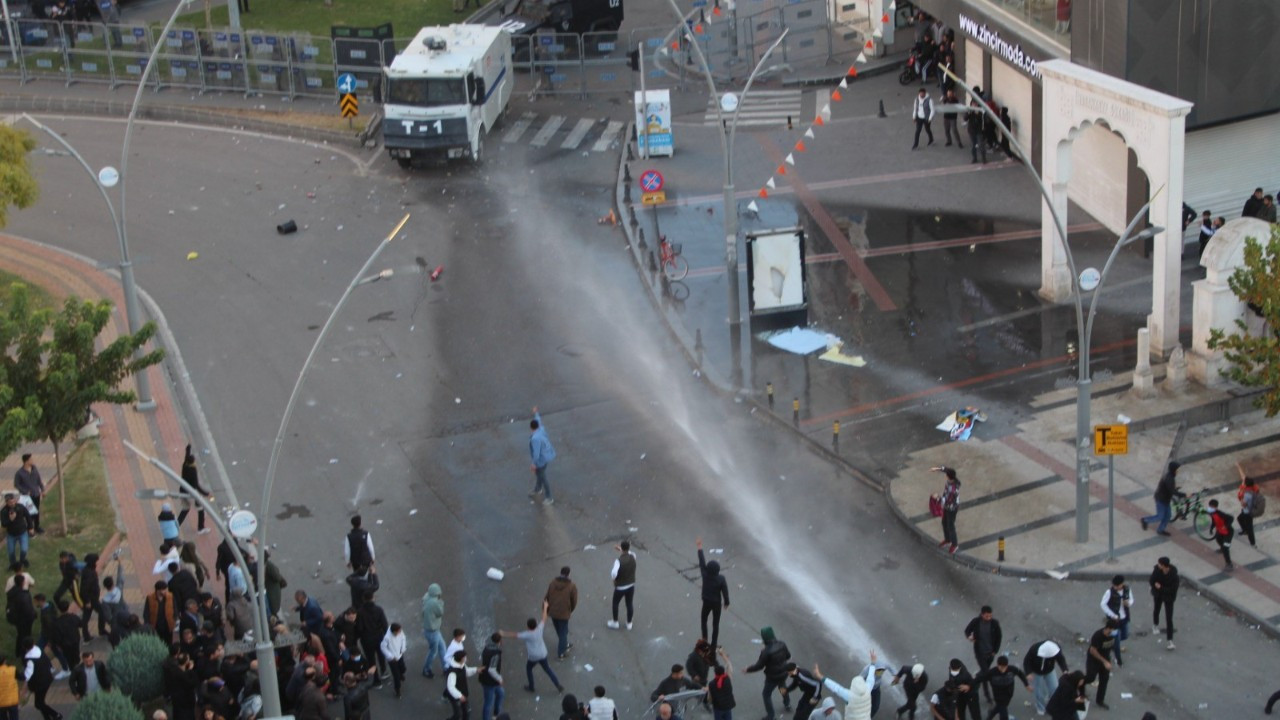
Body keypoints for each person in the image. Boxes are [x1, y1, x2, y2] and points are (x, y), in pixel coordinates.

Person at [509, 600, 562, 693]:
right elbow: (544, 618)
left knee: (529, 669)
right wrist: (545, 607)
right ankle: (557, 685)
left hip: (533, 656)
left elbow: (515, 635)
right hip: (543, 653)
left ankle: (531, 686)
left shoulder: (527, 634)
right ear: (536, 624)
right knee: (548, 670)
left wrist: (502, 634)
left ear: (528, 626)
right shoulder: (539, 629)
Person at [744, 627, 791, 720]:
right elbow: (788, 656)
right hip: (784, 672)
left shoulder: (765, 652)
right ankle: (787, 703)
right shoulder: (782, 644)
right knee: (782, 687)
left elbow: (759, 666)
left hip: (772, 677)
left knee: (766, 694)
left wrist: (748, 669)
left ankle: (771, 715)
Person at [695, 539, 730, 649]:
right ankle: (714, 644)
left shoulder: (705, 574)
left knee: (704, 620)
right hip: (716, 603)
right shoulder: (721, 578)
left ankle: (704, 640)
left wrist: (699, 547)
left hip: (706, 601)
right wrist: (726, 603)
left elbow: (702, 562)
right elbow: (725, 591)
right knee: (715, 624)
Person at [963, 605, 1001, 701]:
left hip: (990, 653)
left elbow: (999, 637)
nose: (989, 618)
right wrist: (969, 637)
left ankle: (976, 678)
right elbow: (967, 630)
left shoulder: (994, 623)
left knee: (985, 672)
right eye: (987, 616)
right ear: (982, 614)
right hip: (980, 652)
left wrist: (995, 651)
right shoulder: (976, 622)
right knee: (986, 672)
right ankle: (987, 694)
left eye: (990, 616)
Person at [1023, 640, 1066, 716]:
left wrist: (1065, 670)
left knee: (1055, 688)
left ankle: (1053, 704)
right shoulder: (1034, 649)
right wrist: (1028, 673)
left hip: (1049, 670)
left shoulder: (1056, 649)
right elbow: (1027, 661)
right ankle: (1041, 707)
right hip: (1036, 671)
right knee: (1039, 691)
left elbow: (1061, 659)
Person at [20, 637, 58, 720]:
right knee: (40, 702)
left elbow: (28, 674)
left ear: (24, 647)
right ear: (33, 643)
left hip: (39, 684)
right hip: (47, 678)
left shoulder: (29, 659)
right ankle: (47, 717)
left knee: (39, 704)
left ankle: (55, 715)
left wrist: (23, 689)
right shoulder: (38, 649)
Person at [1140, 461, 1182, 536]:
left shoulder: (1171, 476)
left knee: (1168, 516)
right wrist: (1184, 495)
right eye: (1177, 469)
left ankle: (1160, 530)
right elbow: (1172, 491)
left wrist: (1175, 489)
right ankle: (1145, 520)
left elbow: (1170, 489)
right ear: (1173, 470)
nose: (1178, 471)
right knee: (1160, 516)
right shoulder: (1169, 478)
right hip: (1161, 500)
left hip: (1166, 500)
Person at [178, 446, 213, 535]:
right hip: (191, 493)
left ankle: (177, 525)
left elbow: (186, 455)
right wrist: (206, 493)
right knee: (200, 509)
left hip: (182, 490)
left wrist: (188, 448)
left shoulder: (185, 464)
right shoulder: (192, 471)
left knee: (185, 509)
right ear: (193, 462)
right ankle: (200, 528)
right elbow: (196, 485)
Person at [1083, 619, 1117, 710]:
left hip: (1105, 659)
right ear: (1109, 628)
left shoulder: (1112, 636)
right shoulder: (1098, 636)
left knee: (1104, 680)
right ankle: (1079, 684)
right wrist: (1105, 662)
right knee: (1090, 677)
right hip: (1094, 660)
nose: (1116, 632)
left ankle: (1100, 700)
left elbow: (1112, 646)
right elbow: (1093, 651)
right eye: (1115, 630)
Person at [1099, 575, 1132, 666]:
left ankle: (1111, 644)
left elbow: (1131, 599)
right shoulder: (1109, 592)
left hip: (1124, 618)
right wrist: (1112, 615)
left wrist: (1128, 603)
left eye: (1118, 586)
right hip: (1114, 620)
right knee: (1117, 641)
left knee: (1125, 635)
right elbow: (1103, 604)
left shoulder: (1127, 590)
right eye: (1115, 586)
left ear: (1122, 584)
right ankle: (1118, 659)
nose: (1116, 588)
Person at [1148, 556, 1179, 650]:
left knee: (1169, 618)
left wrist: (1160, 587)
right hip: (1158, 595)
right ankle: (1155, 624)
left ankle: (1170, 640)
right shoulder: (1157, 570)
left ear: (1164, 566)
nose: (1158, 565)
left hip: (1168, 598)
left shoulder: (1174, 576)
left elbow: (1172, 590)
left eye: (1159, 564)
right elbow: (1151, 580)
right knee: (1156, 610)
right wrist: (1155, 586)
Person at [529, 407, 557, 505]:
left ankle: (549, 497)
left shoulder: (535, 439)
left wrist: (533, 464)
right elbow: (538, 420)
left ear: (531, 428)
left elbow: (536, 454)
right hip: (547, 455)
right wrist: (536, 413)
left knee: (542, 476)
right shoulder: (541, 428)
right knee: (539, 474)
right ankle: (538, 489)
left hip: (541, 460)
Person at [607, 541, 636, 630]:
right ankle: (629, 623)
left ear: (622, 548)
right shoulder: (633, 556)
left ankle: (615, 622)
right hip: (631, 585)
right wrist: (621, 549)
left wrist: (614, 579)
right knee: (629, 604)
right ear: (629, 547)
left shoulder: (618, 561)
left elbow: (614, 573)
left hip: (620, 587)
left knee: (615, 603)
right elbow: (629, 553)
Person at [4, 573, 35, 656]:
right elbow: (28, 609)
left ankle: (18, 651)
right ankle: (24, 652)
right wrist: (33, 615)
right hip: (24, 619)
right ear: (23, 582)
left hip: (16, 617)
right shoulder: (24, 595)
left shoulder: (12, 592)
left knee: (20, 634)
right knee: (25, 635)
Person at [13, 454, 44, 535]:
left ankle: (37, 526)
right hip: (27, 497)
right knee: (29, 512)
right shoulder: (19, 473)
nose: (32, 460)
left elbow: (39, 480)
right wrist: (25, 491)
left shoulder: (34, 469)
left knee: (36, 511)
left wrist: (42, 489)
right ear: (26, 461)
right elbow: (16, 484)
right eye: (31, 459)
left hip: (36, 494)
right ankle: (30, 528)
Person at [1, 493, 32, 570]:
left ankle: (22, 561)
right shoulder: (4, 511)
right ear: (6, 502)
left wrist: (31, 527)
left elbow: (28, 516)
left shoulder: (20, 507)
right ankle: (13, 564)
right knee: (11, 552)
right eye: (10, 502)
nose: (12, 503)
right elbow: (4, 524)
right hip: (11, 534)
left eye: (13, 501)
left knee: (24, 550)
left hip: (22, 532)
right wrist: (10, 520)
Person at [933, 467, 960, 553]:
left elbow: (947, 500)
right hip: (948, 507)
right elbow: (947, 469)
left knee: (950, 526)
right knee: (944, 523)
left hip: (951, 508)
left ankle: (954, 544)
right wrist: (937, 469)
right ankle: (948, 540)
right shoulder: (953, 480)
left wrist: (937, 498)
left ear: (948, 477)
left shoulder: (952, 489)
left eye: (946, 475)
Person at [422, 582, 446, 678]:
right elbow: (440, 612)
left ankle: (446, 667)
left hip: (429, 629)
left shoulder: (426, 598)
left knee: (442, 647)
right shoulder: (435, 602)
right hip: (433, 631)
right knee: (433, 651)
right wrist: (441, 602)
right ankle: (426, 669)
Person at [478, 633, 505, 720]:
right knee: (488, 703)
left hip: (486, 678)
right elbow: (492, 670)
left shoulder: (486, 648)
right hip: (490, 681)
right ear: (500, 641)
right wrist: (499, 678)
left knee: (500, 694)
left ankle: (496, 714)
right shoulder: (496, 653)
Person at [445, 650, 478, 720]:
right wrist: (459, 696)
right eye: (465, 657)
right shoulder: (452, 672)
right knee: (458, 715)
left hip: (462, 694)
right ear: (461, 659)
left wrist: (476, 670)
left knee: (466, 712)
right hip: (456, 697)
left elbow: (466, 671)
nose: (466, 658)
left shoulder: (461, 666)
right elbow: (450, 687)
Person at [380, 622, 407, 698]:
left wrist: (403, 648)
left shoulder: (400, 631)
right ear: (394, 631)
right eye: (398, 632)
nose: (400, 632)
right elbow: (383, 647)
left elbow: (403, 639)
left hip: (399, 654)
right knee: (396, 676)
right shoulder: (387, 638)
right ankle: (397, 690)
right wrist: (390, 656)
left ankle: (401, 674)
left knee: (403, 668)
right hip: (392, 660)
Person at [1207, 499, 1236, 569]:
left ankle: (1229, 564)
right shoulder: (1212, 513)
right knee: (1218, 540)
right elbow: (1214, 521)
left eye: (1211, 507)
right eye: (1209, 506)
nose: (1210, 508)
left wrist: (1226, 526)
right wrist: (1211, 528)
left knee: (1226, 548)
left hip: (1228, 533)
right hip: (1220, 531)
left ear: (1215, 507)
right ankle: (1222, 548)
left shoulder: (1220, 514)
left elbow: (1231, 518)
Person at [708, 650, 735, 720]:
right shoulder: (728, 678)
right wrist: (723, 655)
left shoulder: (711, 684)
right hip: (728, 705)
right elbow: (729, 665)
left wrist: (710, 702)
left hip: (718, 707)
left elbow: (709, 698)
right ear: (723, 672)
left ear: (715, 673)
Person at [1238, 476, 1262, 548]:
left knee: (1250, 528)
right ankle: (1245, 530)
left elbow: (1244, 504)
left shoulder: (1247, 494)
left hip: (1248, 512)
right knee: (1239, 518)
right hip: (1252, 509)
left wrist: (1241, 497)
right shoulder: (1255, 489)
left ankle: (1253, 543)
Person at [0, 655, 18, 720]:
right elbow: (23, 677)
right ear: (5, 661)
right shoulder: (12, 669)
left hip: (1, 703)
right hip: (12, 701)